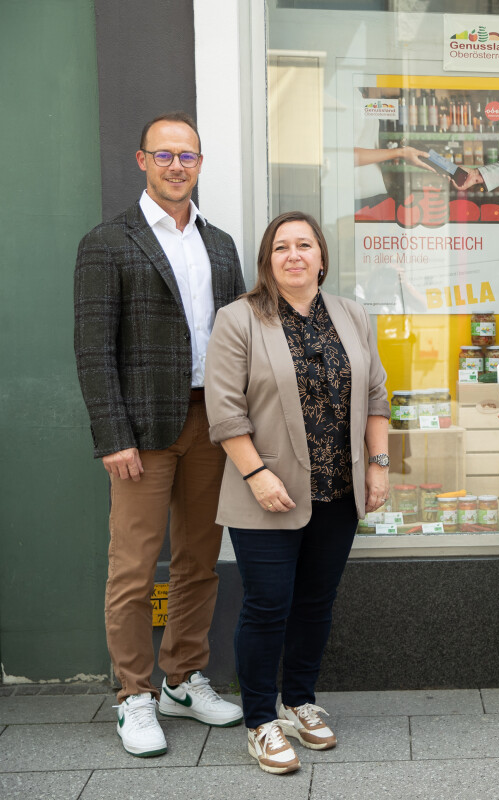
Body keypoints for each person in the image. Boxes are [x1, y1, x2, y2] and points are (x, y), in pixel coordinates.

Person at [73, 112, 245, 758]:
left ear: (200, 164)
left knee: (200, 561)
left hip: (211, 425)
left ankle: (182, 677)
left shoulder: (220, 243)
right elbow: (93, 349)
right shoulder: (108, 241)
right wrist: (111, 434)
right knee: (134, 568)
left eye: (188, 156)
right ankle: (133, 695)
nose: (178, 165)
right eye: (165, 154)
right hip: (140, 434)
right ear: (142, 161)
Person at [205, 211, 390, 774]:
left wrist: (378, 465)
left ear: (321, 257)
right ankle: (261, 720)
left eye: (304, 245)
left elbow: (378, 396)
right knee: (266, 605)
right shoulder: (238, 319)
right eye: (281, 247)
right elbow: (224, 410)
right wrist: (256, 474)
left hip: (338, 489)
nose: (294, 255)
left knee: (315, 602)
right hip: (267, 492)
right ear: (268, 260)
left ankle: (299, 700)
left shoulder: (352, 315)